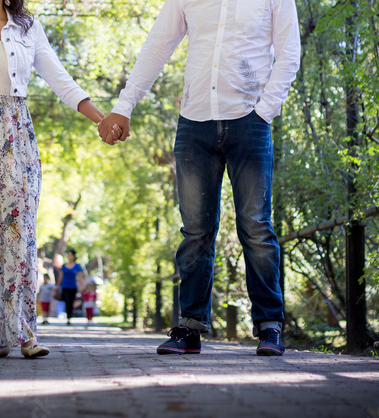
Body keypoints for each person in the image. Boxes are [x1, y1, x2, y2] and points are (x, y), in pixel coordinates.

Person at [99, 0, 301, 356]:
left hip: (250, 120)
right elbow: (157, 46)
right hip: (194, 122)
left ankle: (270, 327)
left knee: (255, 226)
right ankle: (189, 328)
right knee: (195, 231)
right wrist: (123, 106)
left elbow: (288, 53)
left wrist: (265, 110)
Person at [0, 0, 119, 359]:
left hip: (14, 136)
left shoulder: (28, 27)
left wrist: (103, 119)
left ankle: (23, 332)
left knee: (18, 231)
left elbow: (61, 79)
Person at [55, 249, 84, 325]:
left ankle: (69, 317)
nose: (69, 257)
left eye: (70, 255)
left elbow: (80, 277)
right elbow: (60, 276)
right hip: (65, 286)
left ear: (74, 256)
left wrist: (81, 286)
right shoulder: (64, 266)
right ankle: (68, 315)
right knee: (67, 300)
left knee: (71, 301)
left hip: (73, 287)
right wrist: (57, 285)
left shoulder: (77, 266)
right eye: (68, 255)